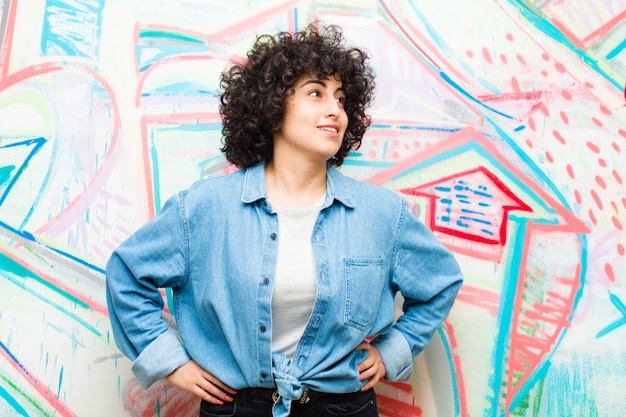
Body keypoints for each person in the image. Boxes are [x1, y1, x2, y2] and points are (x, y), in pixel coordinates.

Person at [106, 22, 463, 417]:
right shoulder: (205, 209)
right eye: (316, 93)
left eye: (342, 99)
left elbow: (439, 283)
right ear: (273, 108)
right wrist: (169, 361)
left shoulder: (382, 214)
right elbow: (127, 274)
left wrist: (392, 349)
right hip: (237, 408)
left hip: (344, 408)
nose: (335, 110)